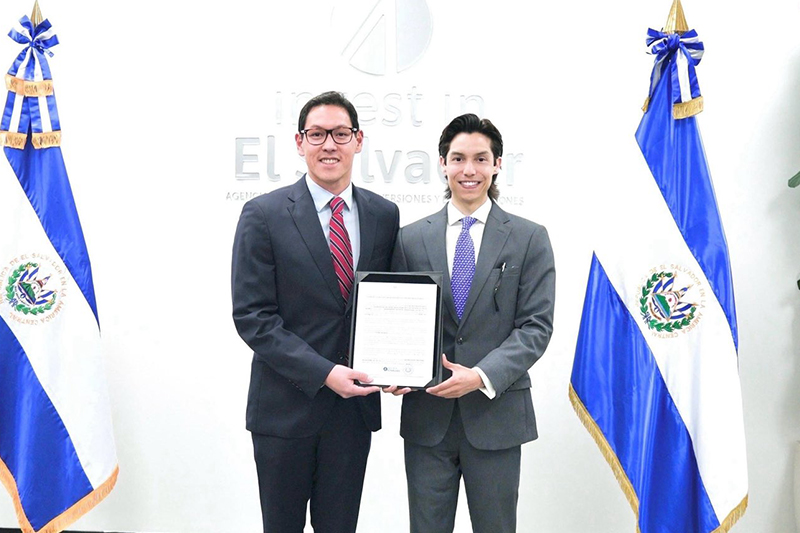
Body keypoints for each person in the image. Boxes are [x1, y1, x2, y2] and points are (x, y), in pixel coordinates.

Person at [231, 91, 400, 533]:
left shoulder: (384, 215)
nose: (329, 145)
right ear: (299, 142)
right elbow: (253, 317)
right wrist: (324, 373)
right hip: (285, 409)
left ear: (358, 140)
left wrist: (401, 366)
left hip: (352, 414)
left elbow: (391, 303)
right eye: (317, 134)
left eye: (340, 134)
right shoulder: (263, 214)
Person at [388, 113, 555, 533]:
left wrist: (480, 375)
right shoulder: (409, 238)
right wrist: (392, 368)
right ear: (442, 163)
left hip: (496, 416)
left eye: (481, 159)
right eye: (458, 158)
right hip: (428, 417)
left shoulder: (529, 237)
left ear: (497, 164)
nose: (469, 170)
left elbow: (536, 327)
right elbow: (396, 317)